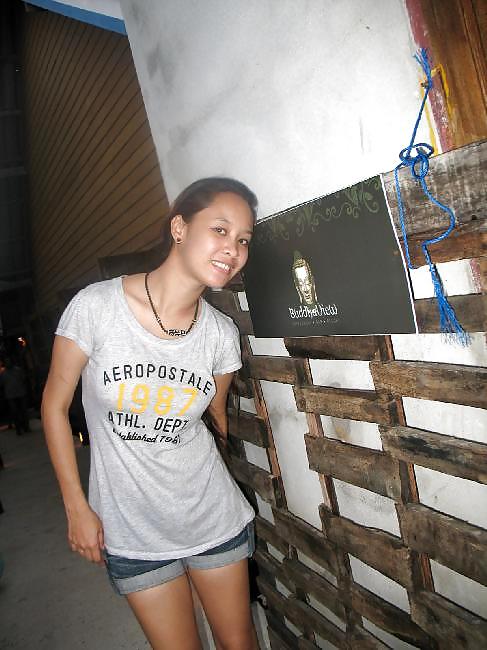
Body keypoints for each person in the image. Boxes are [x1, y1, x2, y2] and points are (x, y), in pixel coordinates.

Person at [41, 177, 260, 650]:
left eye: (244, 239)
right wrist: (77, 507)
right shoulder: (97, 307)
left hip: (211, 516)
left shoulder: (221, 335)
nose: (234, 249)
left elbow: (215, 421)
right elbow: (54, 406)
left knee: (238, 643)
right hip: (131, 527)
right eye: (220, 230)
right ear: (179, 227)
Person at [0, 358, 30, 435]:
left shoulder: (18, 370)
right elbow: (1, 384)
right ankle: (18, 428)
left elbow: (24, 379)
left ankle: (26, 426)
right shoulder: (3, 373)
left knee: (23, 411)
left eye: (9, 361)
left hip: (20, 393)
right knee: (15, 412)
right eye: (6, 362)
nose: (8, 363)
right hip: (11, 395)